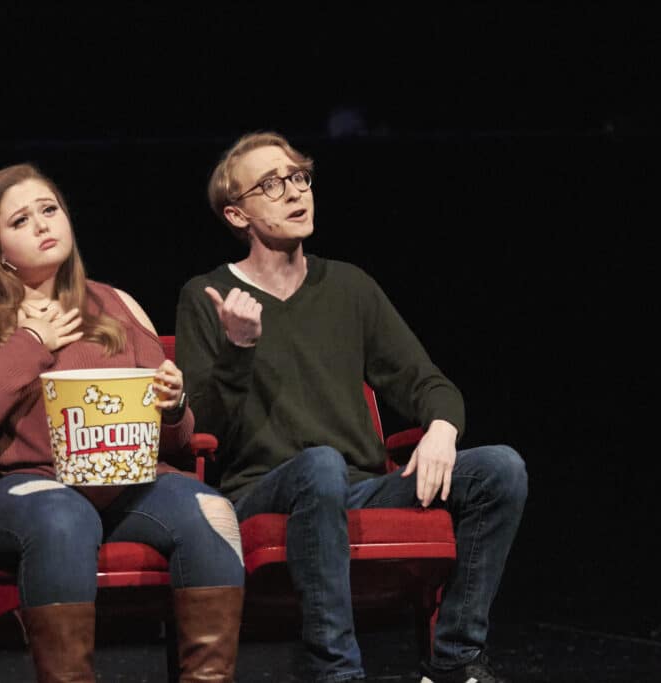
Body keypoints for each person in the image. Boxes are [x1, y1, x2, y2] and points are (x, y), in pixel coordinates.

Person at [174, 132, 527, 683]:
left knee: (500, 468)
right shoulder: (208, 296)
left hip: (358, 483)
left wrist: (439, 429)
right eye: (272, 184)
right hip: (261, 489)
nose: (295, 192)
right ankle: (336, 671)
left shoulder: (350, 286)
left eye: (299, 177)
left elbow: (427, 382)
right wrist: (239, 349)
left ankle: (455, 659)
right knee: (319, 466)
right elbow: (204, 430)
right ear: (237, 213)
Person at [0, 162, 245, 683]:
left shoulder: (117, 303)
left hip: (132, 484)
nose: (43, 225)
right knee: (63, 517)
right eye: (21, 220)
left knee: (211, 510)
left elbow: (181, 443)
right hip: (32, 487)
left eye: (49, 210)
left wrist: (175, 403)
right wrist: (31, 343)